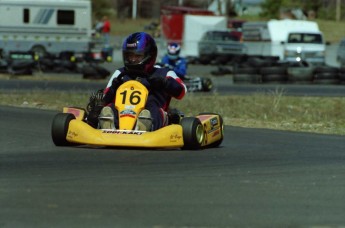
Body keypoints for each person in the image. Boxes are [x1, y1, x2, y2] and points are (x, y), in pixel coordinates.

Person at [96, 32, 187, 131]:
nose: (133, 60)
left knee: (151, 109)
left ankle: (145, 125)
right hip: (123, 113)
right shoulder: (120, 73)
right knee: (110, 108)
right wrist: (113, 89)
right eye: (130, 56)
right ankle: (109, 124)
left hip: (154, 114)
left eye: (138, 56)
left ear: (150, 55)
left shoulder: (163, 73)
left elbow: (182, 91)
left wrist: (165, 83)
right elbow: (104, 98)